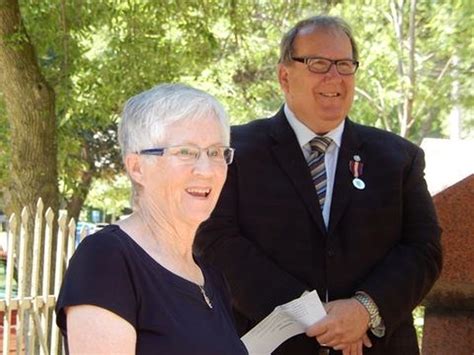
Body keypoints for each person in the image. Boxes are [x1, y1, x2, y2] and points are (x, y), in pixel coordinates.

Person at [195, 15, 442, 355]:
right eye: (318, 63)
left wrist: (363, 310)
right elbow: (214, 242)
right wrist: (313, 318)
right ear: (285, 75)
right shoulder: (232, 151)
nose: (334, 76)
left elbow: (423, 249)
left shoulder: (399, 159)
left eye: (344, 64)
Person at [56, 83, 248, 355]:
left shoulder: (210, 277)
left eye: (216, 152)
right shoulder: (106, 259)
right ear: (137, 167)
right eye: (186, 152)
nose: (206, 170)